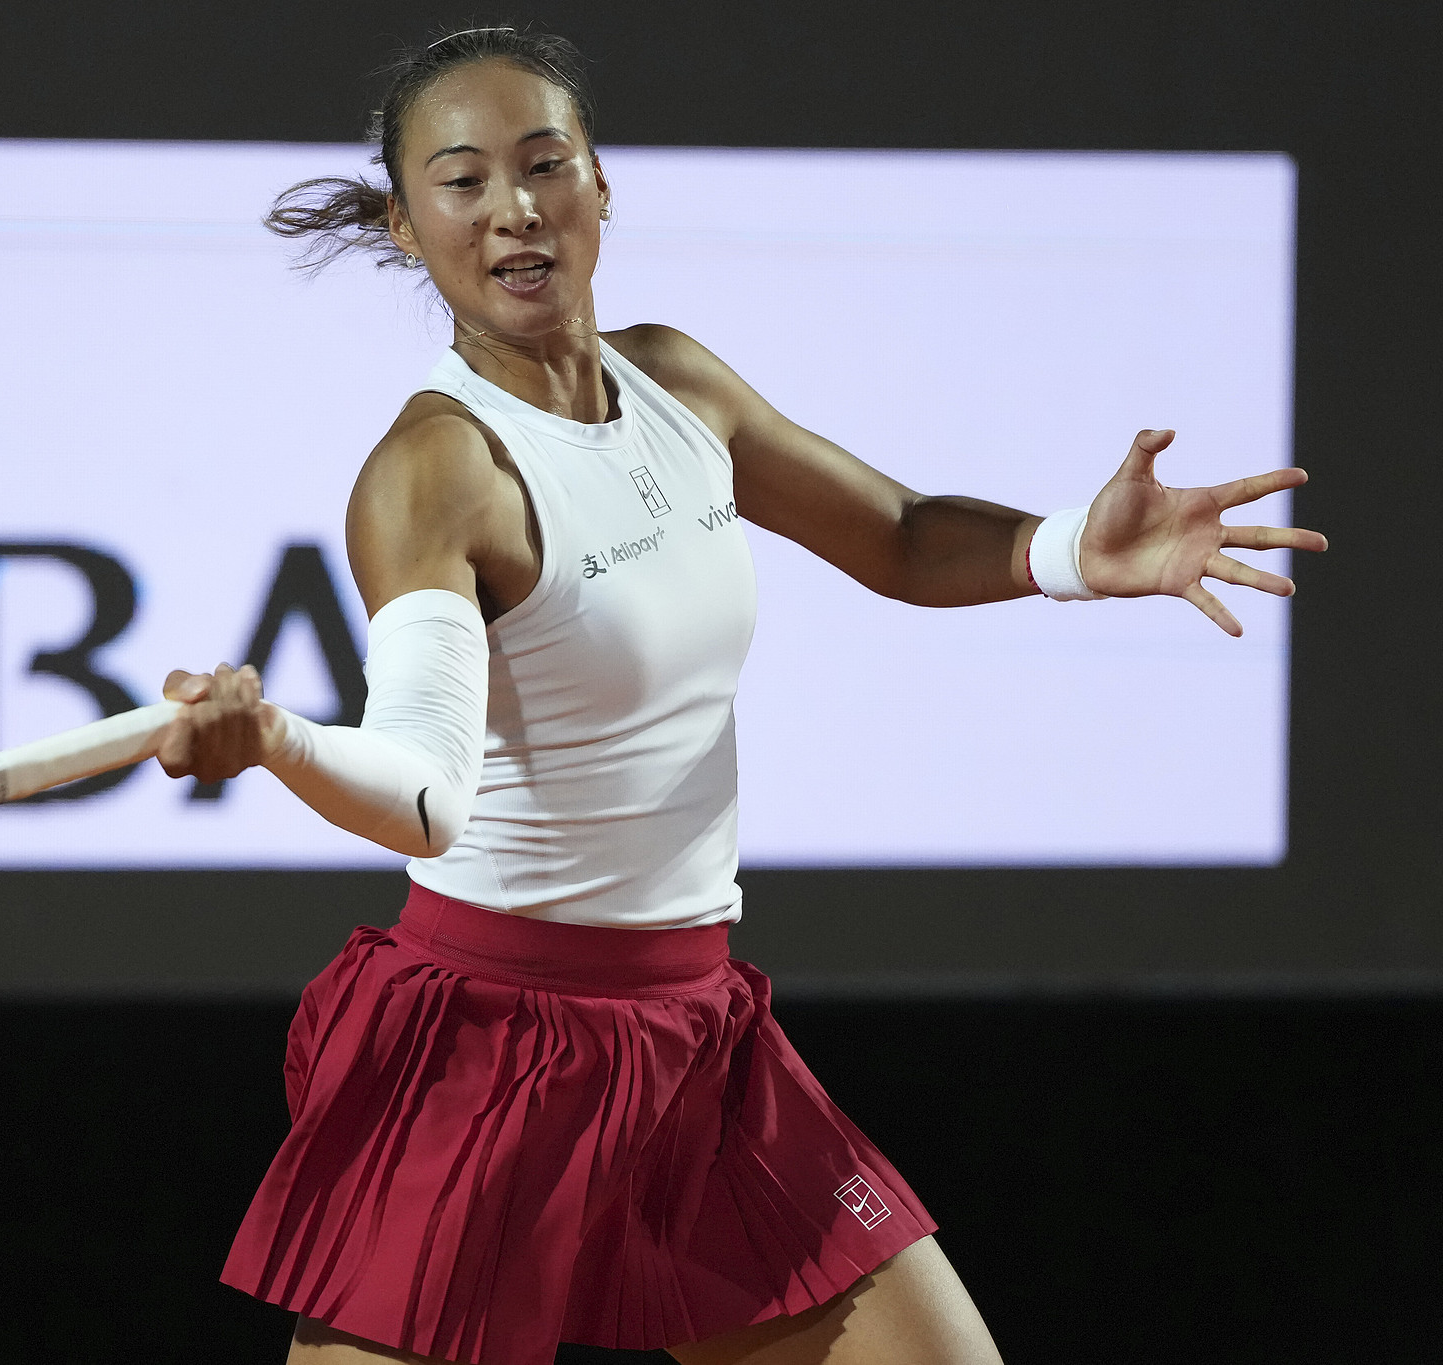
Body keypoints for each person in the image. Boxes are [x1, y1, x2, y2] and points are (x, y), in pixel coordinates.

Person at [155, 26, 1326, 1365]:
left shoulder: (678, 384)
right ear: (406, 227)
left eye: (546, 165)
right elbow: (426, 792)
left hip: (695, 1039)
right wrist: (278, 739)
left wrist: (1070, 552)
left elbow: (892, 531)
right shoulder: (437, 471)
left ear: (602, 186)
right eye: (463, 181)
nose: (515, 209)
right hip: (486, 1051)